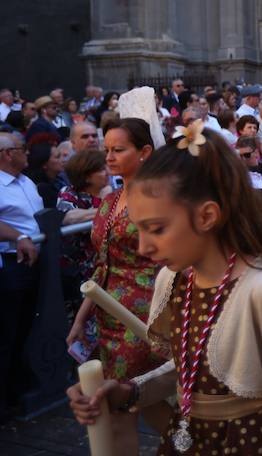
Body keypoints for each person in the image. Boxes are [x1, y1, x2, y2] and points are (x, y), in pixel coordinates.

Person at [67, 121, 262, 455]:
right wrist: (130, 392)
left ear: (206, 216)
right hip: (187, 440)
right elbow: (190, 367)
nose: (143, 247)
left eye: (156, 228)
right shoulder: (174, 280)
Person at [66, 118, 163, 452]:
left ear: (145, 152)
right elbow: (102, 266)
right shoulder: (110, 200)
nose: (108, 157)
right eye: (106, 150)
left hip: (144, 316)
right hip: (107, 319)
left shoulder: (158, 197)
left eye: (118, 149)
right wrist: (81, 320)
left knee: (131, 403)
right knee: (130, 403)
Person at [0, 132, 42, 420]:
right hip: (11, 263)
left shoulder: (26, 180)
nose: (27, 152)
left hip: (36, 263)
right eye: (21, 148)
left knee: (27, 327)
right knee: (7, 331)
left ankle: (18, 389)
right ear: (6, 154)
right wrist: (20, 237)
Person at [56, 150, 108, 323]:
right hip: (77, 272)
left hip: (102, 268)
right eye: (101, 169)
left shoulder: (108, 193)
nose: (107, 171)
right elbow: (68, 217)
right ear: (86, 176)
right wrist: (107, 210)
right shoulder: (69, 193)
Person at [24, 142, 66, 208]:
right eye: (57, 157)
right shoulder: (41, 189)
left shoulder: (61, 180)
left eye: (62, 156)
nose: (63, 160)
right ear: (44, 164)